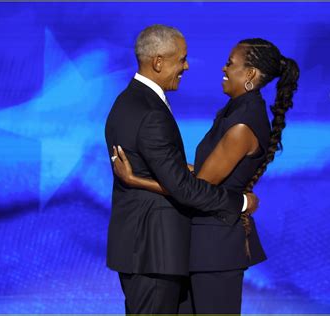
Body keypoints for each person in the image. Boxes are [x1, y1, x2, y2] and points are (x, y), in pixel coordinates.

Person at [112, 38, 300, 314]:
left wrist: (135, 180)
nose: (224, 69)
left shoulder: (243, 123)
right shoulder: (234, 111)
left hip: (216, 249)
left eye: (230, 64)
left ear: (250, 74)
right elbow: (200, 173)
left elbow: (195, 187)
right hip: (201, 246)